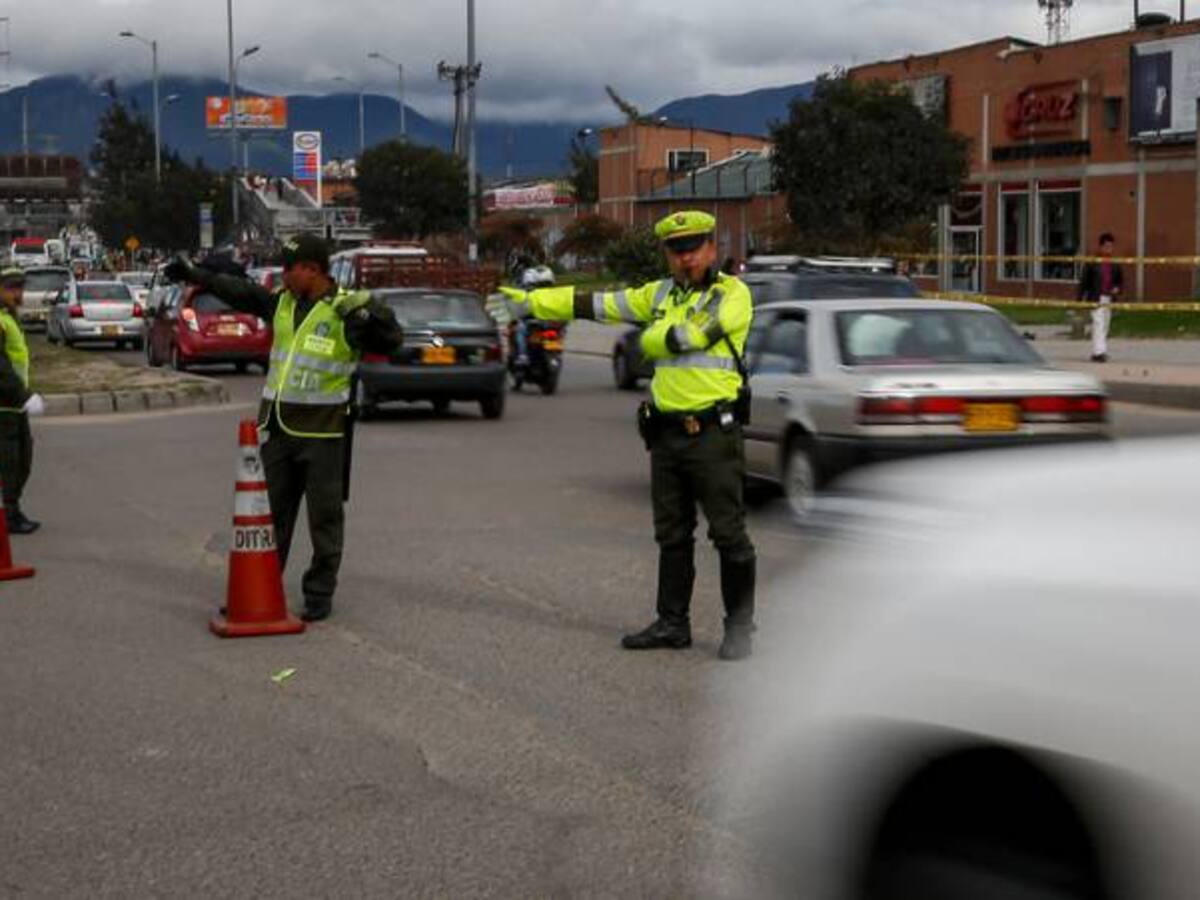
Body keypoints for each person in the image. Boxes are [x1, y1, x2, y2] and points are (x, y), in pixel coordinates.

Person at [491, 210, 757, 660]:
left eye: (694, 248)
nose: (686, 258)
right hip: (668, 434)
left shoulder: (732, 293)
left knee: (728, 535)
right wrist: (530, 304)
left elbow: (691, 336)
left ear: (713, 248)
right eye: (676, 250)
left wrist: (650, 338)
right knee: (672, 535)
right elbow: (598, 305)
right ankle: (673, 623)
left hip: (713, 433)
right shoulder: (659, 294)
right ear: (666, 255)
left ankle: (740, 628)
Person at [165, 234, 402, 622]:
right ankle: (260, 588)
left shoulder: (343, 312)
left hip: (323, 432)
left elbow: (392, 342)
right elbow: (241, 292)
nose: (284, 275)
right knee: (268, 517)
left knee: (324, 518)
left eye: (289, 268)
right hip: (278, 428)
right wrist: (197, 275)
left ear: (311, 269)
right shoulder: (282, 303)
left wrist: (374, 312)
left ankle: (319, 592)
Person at [0, 268, 44, 534]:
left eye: (21, 288)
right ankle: (9, 515)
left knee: (21, 459)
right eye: (12, 288)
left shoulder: (8, 317)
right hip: (5, 404)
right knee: (10, 462)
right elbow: (1, 367)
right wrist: (24, 395)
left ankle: (12, 511)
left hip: (13, 403)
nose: (19, 293)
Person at [1077, 232, 1123, 363]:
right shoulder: (1093, 263)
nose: (1109, 249)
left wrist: (1117, 288)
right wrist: (1079, 300)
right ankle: (1099, 353)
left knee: (1105, 325)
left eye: (1111, 247)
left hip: (1109, 298)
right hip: (1095, 297)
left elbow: (1119, 280)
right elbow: (1084, 282)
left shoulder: (1115, 263)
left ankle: (1099, 351)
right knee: (1098, 323)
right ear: (1100, 247)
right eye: (1107, 246)